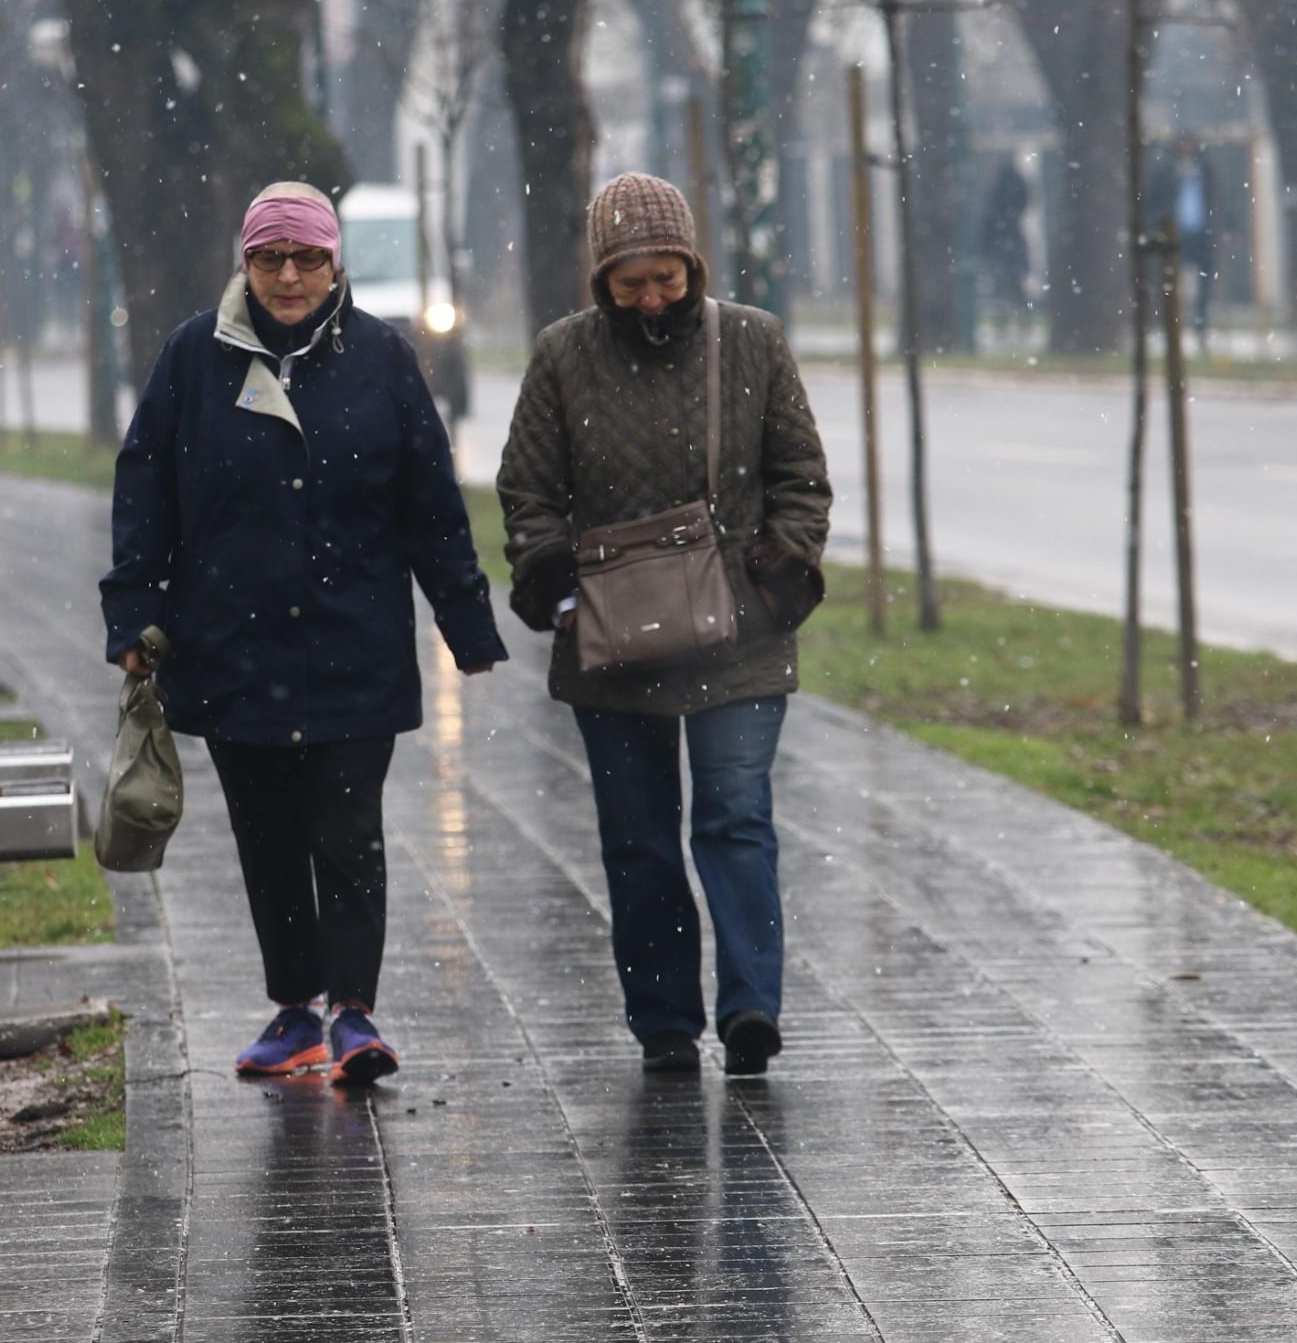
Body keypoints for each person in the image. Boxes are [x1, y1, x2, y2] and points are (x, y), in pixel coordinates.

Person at [102, 181, 507, 1087]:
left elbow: (430, 504)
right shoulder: (191, 359)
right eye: (269, 258)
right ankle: (295, 1008)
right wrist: (132, 613)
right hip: (232, 645)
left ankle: (353, 1009)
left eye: (307, 258)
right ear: (243, 263)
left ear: (335, 264)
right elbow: (145, 492)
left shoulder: (382, 360)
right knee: (268, 833)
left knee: (346, 825)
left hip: (352, 644)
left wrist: (465, 620)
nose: (288, 276)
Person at [495, 174, 831, 1077]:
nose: (650, 298)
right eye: (629, 281)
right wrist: (559, 584)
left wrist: (777, 569)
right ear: (601, 278)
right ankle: (666, 1022)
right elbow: (528, 489)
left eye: (667, 279)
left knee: (735, 816)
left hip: (741, 632)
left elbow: (800, 472)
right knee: (638, 836)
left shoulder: (752, 343)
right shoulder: (564, 357)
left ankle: (752, 1007)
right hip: (614, 641)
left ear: (694, 265)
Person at [1155, 136, 1219, 352]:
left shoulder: (1205, 172)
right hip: (1176, 235)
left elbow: (1218, 200)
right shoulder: (1167, 173)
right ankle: (1171, 327)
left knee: (1204, 284)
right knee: (1171, 283)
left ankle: (1200, 327)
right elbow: (1155, 201)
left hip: (1202, 234)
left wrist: (1226, 228)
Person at [979, 157, 1033, 343]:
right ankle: (1018, 323)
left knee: (1005, 289)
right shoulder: (1010, 221)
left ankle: (1009, 325)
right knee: (1013, 289)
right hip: (1009, 244)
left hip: (1002, 246)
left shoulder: (995, 196)